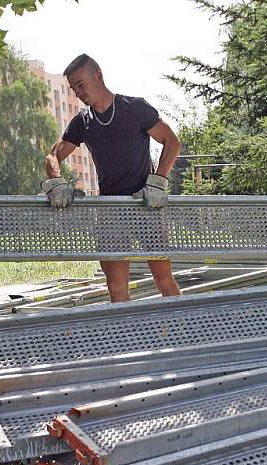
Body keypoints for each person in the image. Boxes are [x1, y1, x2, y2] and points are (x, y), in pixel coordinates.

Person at [42, 54, 183, 302]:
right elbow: (53, 156)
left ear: (98, 75)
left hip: (146, 205)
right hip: (110, 211)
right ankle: (126, 339)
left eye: (81, 84)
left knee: (164, 279)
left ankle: (184, 335)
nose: (78, 93)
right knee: (116, 286)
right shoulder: (83, 122)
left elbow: (171, 141)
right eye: (73, 88)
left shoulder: (135, 108)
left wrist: (158, 182)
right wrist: (56, 182)